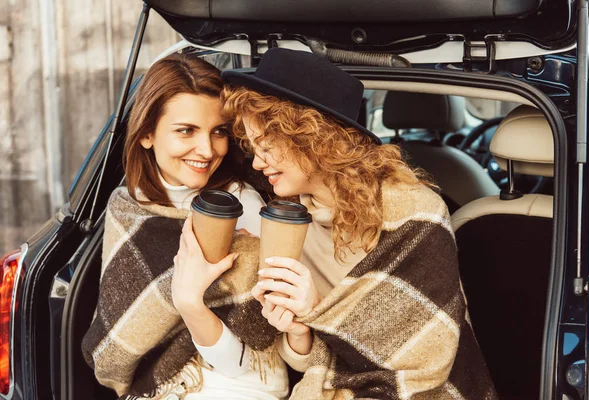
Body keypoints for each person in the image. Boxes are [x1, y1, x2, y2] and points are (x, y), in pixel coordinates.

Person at [221, 48, 498, 399]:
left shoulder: (414, 213)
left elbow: (424, 360)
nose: (257, 164)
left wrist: (318, 311)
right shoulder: (292, 218)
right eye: (253, 149)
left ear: (312, 137)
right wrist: (298, 329)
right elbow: (306, 361)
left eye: (266, 146)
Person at [82, 54, 289, 400]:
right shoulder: (127, 207)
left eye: (218, 131)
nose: (207, 150)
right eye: (186, 131)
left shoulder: (244, 206)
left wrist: (190, 303)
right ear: (146, 133)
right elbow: (116, 337)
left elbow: (255, 362)